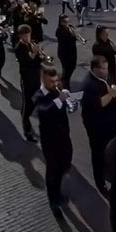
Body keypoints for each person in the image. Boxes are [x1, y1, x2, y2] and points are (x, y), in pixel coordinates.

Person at [33, 66, 74, 219]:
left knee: (65, 162)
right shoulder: (39, 95)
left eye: (56, 80)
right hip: (50, 140)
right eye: (52, 81)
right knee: (53, 171)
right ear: (44, 80)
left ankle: (58, 190)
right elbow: (44, 111)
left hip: (63, 135)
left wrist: (69, 98)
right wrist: (59, 100)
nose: (55, 84)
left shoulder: (57, 90)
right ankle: (53, 201)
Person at [81, 56, 116, 195]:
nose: (106, 71)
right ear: (95, 69)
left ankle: (111, 172)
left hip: (112, 122)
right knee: (98, 154)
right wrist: (111, 94)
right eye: (103, 69)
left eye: (106, 68)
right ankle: (101, 183)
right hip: (98, 127)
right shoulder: (88, 85)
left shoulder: (106, 76)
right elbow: (98, 104)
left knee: (112, 150)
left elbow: (114, 85)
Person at [14, 24, 43, 142]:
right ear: (21, 36)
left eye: (29, 35)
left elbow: (37, 61)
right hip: (26, 79)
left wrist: (40, 54)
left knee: (36, 102)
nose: (28, 37)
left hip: (36, 78)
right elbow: (26, 61)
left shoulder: (32, 44)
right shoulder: (19, 48)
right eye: (25, 35)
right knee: (27, 107)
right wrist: (34, 53)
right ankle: (27, 131)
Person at [55, 14, 78, 89]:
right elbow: (65, 40)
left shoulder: (70, 27)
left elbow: (74, 36)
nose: (66, 23)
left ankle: (65, 82)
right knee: (66, 69)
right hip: (64, 52)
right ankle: (65, 85)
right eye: (64, 21)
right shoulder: (59, 30)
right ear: (61, 22)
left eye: (67, 20)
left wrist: (75, 34)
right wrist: (73, 36)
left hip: (72, 51)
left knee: (72, 67)